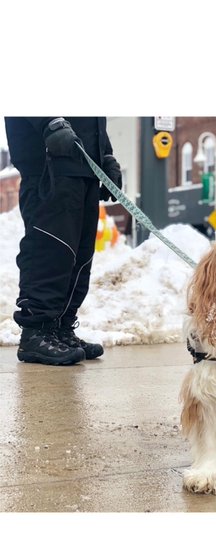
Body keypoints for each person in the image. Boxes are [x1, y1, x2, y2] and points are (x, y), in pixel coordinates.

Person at [3, 117, 121, 366]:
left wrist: (106, 154)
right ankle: (37, 332)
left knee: (79, 254)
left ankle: (61, 327)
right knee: (51, 248)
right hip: (49, 161)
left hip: (85, 163)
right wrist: (50, 121)